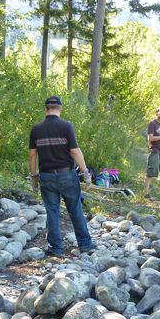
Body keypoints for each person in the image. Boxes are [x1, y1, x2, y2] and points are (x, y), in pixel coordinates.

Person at [29, 95, 96, 257]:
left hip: (46, 177)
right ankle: (85, 245)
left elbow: (32, 155)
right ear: (60, 108)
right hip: (67, 176)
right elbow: (74, 151)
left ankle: (55, 249)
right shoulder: (66, 126)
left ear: (46, 109)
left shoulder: (36, 129)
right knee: (75, 210)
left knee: (52, 212)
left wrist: (33, 177)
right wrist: (85, 172)